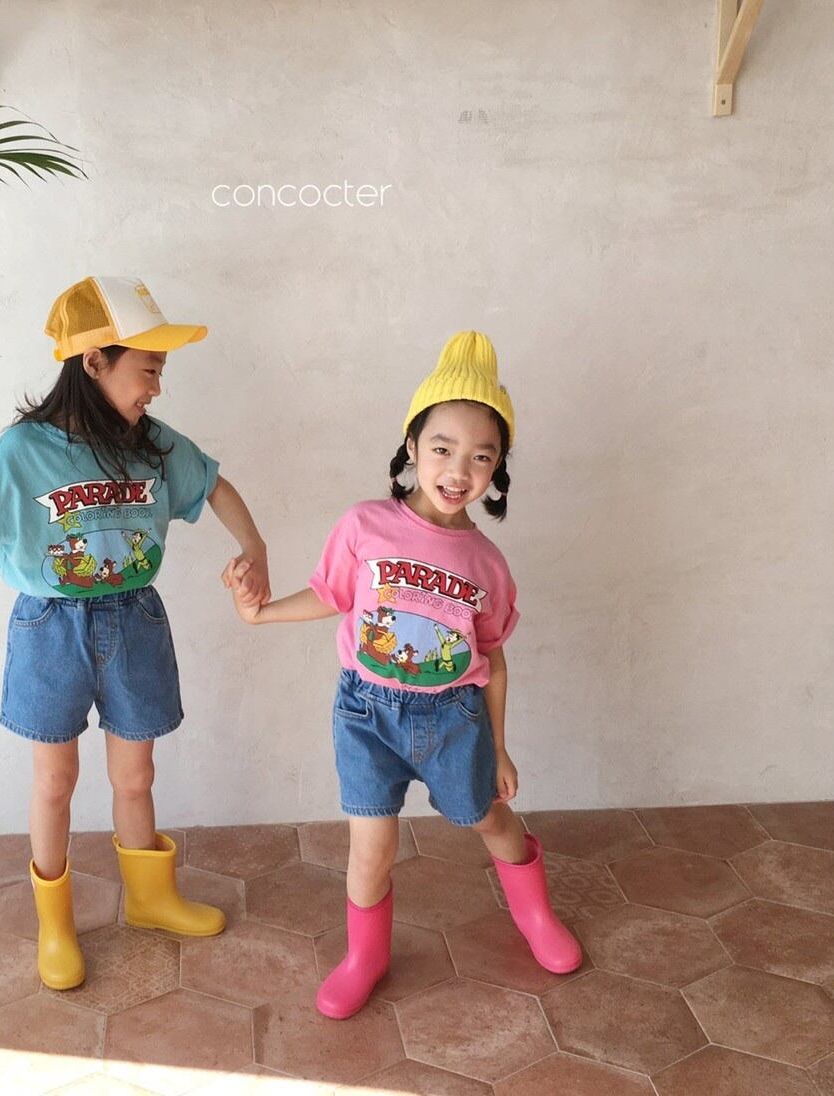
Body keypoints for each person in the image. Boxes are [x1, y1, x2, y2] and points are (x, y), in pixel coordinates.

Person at [0, 276, 270, 989]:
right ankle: (56, 926)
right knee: (55, 781)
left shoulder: (153, 445)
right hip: (50, 628)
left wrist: (254, 547)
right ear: (94, 362)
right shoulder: (22, 450)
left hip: (134, 620)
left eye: (160, 373)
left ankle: (151, 899)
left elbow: (212, 484)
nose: (157, 388)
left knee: (136, 774)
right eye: (149, 370)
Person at [226, 331, 580, 1019]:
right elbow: (331, 594)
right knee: (371, 848)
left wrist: (499, 747)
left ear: (498, 469)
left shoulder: (488, 564)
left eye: (482, 456)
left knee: (489, 818)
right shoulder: (364, 525)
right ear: (412, 446)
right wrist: (260, 613)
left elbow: (493, 658)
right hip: (366, 715)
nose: (459, 469)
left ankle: (536, 915)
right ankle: (365, 957)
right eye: (442, 447)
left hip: (455, 719)